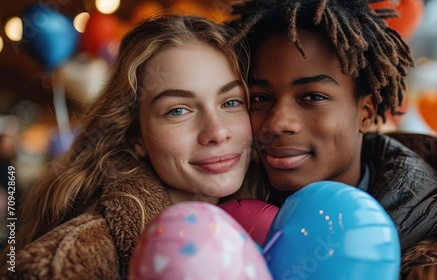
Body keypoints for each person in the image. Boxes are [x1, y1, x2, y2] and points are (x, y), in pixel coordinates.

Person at [228, 0, 437, 279]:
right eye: (260, 98)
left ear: (366, 113)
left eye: (312, 97)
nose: (277, 122)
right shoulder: (217, 227)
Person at [0, 14, 253, 279]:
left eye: (231, 102)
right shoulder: (72, 259)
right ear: (136, 136)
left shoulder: (270, 213)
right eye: (178, 110)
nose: (217, 132)